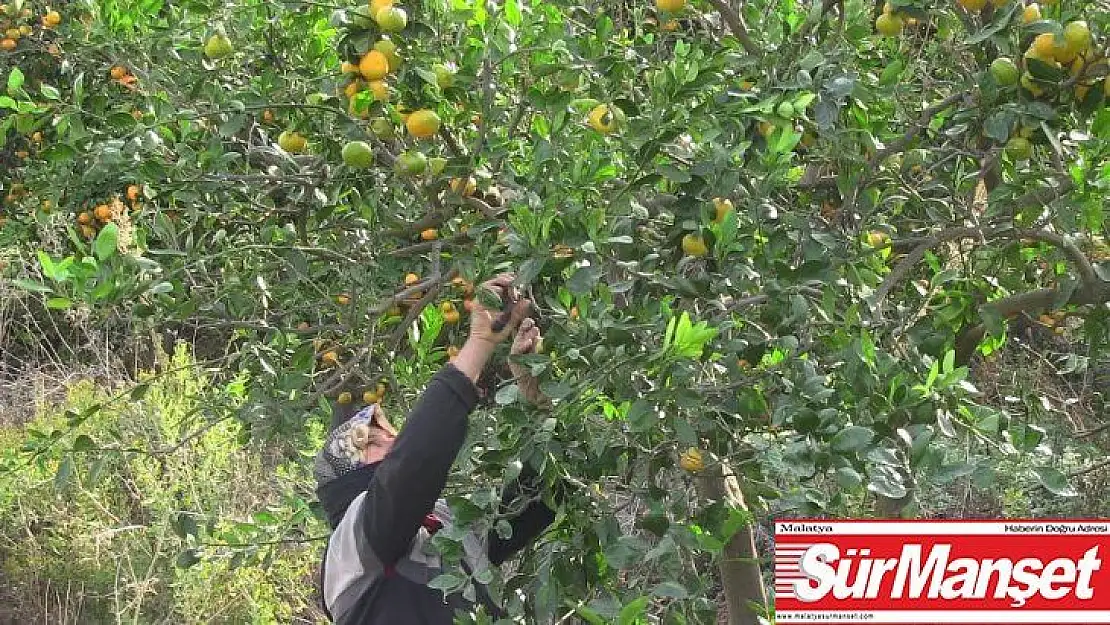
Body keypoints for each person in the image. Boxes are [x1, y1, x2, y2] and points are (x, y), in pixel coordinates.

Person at [314, 274, 556, 624]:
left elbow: (538, 498)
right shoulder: (352, 546)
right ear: (344, 480)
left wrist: (539, 410)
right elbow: (411, 467)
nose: (393, 442)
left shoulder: (445, 523)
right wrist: (478, 343)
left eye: (390, 433)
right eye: (372, 442)